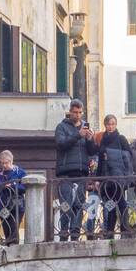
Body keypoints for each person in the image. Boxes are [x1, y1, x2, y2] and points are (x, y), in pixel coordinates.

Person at [54, 99, 98, 241]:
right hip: (66, 173)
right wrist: (78, 135)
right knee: (66, 205)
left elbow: (92, 151)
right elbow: (61, 144)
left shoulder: (85, 127)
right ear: (70, 112)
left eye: (80, 112)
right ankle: (63, 234)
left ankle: (75, 235)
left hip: (81, 172)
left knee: (79, 205)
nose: (78, 115)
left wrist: (91, 139)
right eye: (75, 112)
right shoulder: (61, 127)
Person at [97, 115, 134, 238]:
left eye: (113, 124)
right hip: (106, 177)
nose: (110, 126)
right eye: (108, 124)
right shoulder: (103, 139)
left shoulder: (121, 139)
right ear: (105, 125)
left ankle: (125, 231)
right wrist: (98, 179)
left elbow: (128, 157)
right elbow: (100, 161)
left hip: (118, 176)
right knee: (110, 205)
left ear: (116, 125)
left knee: (121, 203)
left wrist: (110, 156)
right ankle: (110, 232)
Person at [0, 150, 27, 245]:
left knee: (13, 228)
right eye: (2, 163)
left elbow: (25, 188)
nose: (4, 165)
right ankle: (10, 249)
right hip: (3, 205)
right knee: (6, 229)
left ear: (11, 161)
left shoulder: (20, 172)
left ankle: (14, 249)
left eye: (6, 163)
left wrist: (12, 186)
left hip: (17, 205)